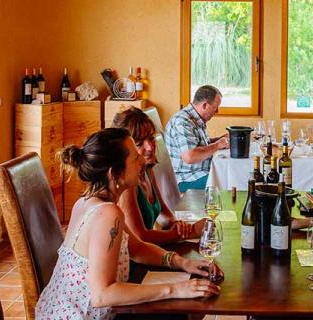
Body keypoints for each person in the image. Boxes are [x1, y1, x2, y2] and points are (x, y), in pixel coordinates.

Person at [35, 128, 222, 319]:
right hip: (79, 316)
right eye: (134, 157)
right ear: (114, 173)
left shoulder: (87, 202)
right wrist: (175, 289)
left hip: (57, 311)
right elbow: (102, 295)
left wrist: (183, 263)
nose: (141, 159)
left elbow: (138, 249)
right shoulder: (108, 213)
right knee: (187, 309)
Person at [112, 107, 205, 244]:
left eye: (151, 138)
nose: (150, 147)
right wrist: (190, 232)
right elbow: (140, 237)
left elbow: (164, 213)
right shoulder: (128, 184)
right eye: (139, 143)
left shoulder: (147, 170)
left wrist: (178, 226)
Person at [164, 85, 229, 192]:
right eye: (215, 107)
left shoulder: (196, 118)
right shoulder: (183, 122)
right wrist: (217, 145)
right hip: (186, 178)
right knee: (226, 180)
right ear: (205, 105)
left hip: (199, 172)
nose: (217, 111)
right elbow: (190, 156)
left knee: (227, 173)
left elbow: (200, 144)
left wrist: (219, 139)